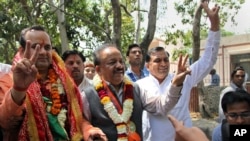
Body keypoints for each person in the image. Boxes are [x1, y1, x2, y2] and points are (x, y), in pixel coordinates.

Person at [0, 25, 106, 141]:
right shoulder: (8, 80)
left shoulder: (66, 81)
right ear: (22, 50)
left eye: (47, 47)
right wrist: (19, 88)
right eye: (36, 47)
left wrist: (89, 131)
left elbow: (77, 119)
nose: (43, 52)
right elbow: (5, 122)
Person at [136, 1, 220, 140]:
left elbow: (208, 60)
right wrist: (176, 85)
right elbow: (161, 108)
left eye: (166, 60)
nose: (163, 64)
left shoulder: (184, 77)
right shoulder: (141, 86)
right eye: (157, 61)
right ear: (147, 66)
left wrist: (214, 26)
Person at [81, 43, 191, 141]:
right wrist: (88, 130)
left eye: (121, 61)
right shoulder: (87, 95)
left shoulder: (136, 89)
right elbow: (81, 124)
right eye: (112, 62)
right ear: (99, 69)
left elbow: (162, 107)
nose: (119, 66)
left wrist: (176, 84)